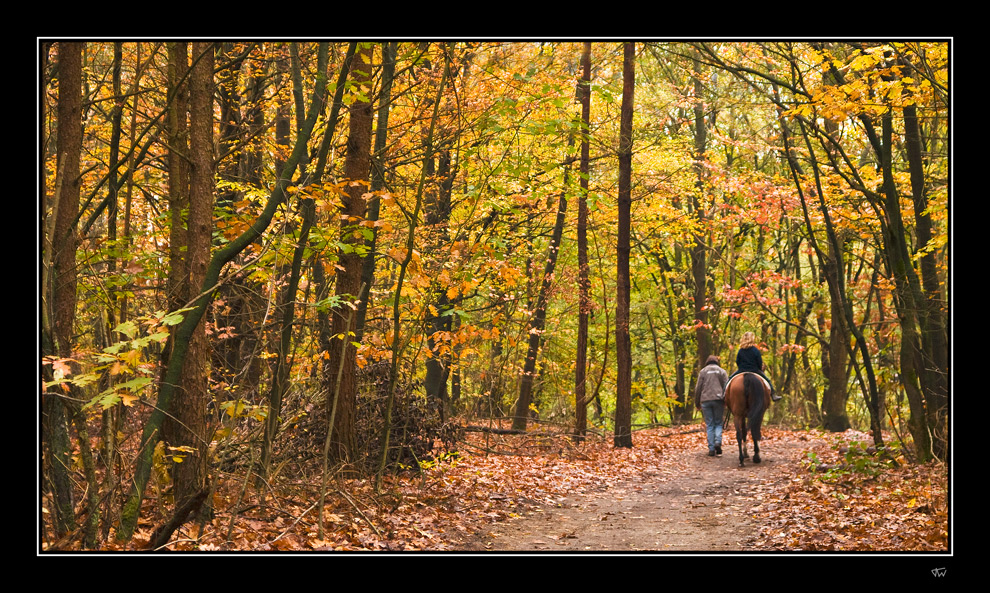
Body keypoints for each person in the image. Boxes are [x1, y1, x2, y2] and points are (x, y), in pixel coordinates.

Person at [727, 331, 781, 402]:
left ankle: (723, 395)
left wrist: (741, 367)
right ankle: (773, 395)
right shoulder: (755, 350)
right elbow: (759, 362)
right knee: (767, 380)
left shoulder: (741, 351)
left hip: (742, 370)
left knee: (729, 379)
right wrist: (759, 369)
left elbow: (738, 361)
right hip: (754, 370)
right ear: (752, 339)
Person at [694, 355, 728, 456]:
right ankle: (718, 442)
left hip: (705, 400)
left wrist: (697, 402)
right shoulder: (722, 371)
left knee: (710, 425)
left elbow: (698, 388)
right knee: (718, 423)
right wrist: (726, 401)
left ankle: (711, 449)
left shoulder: (703, 372)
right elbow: (726, 386)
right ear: (717, 362)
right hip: (718, 400)